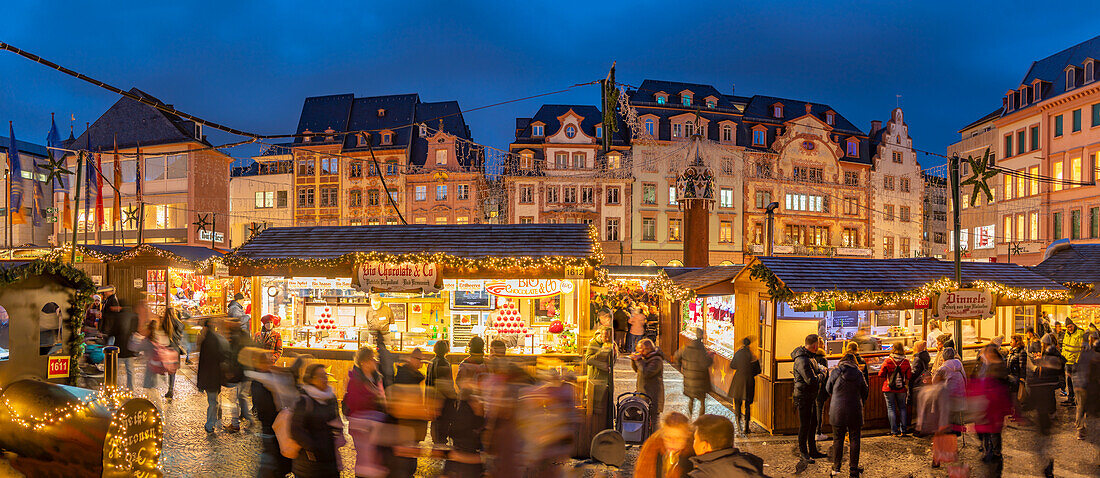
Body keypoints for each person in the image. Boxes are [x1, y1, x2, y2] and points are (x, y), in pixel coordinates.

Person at [248, 349, 295, 478]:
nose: (269, 363)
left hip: (276, 426)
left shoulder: (270, 375)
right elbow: (264, 408)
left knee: (274, 458)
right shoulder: (259, 381)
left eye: (269, 360)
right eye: (266, 361)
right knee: (269, 459)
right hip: (270, 427)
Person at [291, 363, 343, 477]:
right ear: (310, 379)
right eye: (320, 376)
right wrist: (314, 448)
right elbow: (295, 429)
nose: (324, 379)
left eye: (325, 375)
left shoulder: (331, 397)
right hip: (309, 462)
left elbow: (336, 420)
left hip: (330, 457)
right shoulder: (304, 400)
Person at [345, 346, 386, 478]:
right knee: (364, 456)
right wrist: (374, 397)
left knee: (375, 456)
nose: (375, 361)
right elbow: (354, 403)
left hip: (376, 424)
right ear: (363, 362)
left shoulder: (377, 378)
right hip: (361, 426)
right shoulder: (355, 380)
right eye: (372, 359)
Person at [1027, 334, 1064, 477]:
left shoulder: (1048, 357)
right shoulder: (1051, 355)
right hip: (1047, 402)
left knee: (1043, 439)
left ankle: (1047, 463)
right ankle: (1048, 461)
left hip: (1043, 411)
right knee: (1046, 437)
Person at [826, 353, 868, 477]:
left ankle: (836, 467)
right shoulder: (859, 374)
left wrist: (836, 398)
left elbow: (828, 388)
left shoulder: (836, 372)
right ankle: (853, 469)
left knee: (838, 439)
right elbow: (865, 391)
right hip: (854, 410)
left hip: (837, 410)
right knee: (855, 439)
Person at [687, 414, 768, 477]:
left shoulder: (699, 475)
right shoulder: (751, 466)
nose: (693, 443)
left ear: (704, 446)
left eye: (695, 439)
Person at [973, 343, 1012, 465]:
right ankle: (989, 450)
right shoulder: (984, 364)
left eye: (986, 353)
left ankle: (994, 452)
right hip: (985, 401)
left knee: (993, 430)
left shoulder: (998, 367)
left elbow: (1000, 386)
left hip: (993, 403)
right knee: (985, 428)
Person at [792, 334, 827, 465]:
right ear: (815, 345)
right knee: (805, 425)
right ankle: (804, 453)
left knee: (812, 424)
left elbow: (814, 373)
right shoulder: (803, 359)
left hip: (810, 396)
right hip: (803, 396)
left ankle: (813, 450)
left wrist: (819, 371)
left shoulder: (809, 357)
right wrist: (823, 374)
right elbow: (811, 380)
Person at [634, 412, 694, 478]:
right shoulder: (651, 450)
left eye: (678, 438)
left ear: (687, 436)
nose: (672, 442)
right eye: (668, 437)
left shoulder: (693, 456)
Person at [197, 317, 228, 434]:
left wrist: (200, 382)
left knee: (212, 402)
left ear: (206, 327)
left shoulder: (208, 340)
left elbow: (203, 363)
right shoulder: (215, 339)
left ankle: (210, 424)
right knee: (213, 402)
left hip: (210, 378)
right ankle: (212, 422)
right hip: (214, 377)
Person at [673, 328, 713, 417]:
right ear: (702, 336)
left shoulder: (687, 348)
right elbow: (706, 363)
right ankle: (700, 420)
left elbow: (676, 356)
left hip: (689, 379)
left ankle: (690, 417)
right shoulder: (702, 350)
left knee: (691, 400)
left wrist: (681, 368)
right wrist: (710, 357)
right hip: (701, 380)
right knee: (702, 401)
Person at [393, 347, 428, 443]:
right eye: (419, 360)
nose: (421, 362)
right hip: (406, 420)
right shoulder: (407, 374)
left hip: (410, 420)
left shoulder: (410, 373)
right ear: (412, 359)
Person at [879, 342, 912, 436]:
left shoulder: (888, 361)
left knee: (891, 408)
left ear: (893, 348)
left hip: (888, 388)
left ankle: (894, 431)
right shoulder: (905, 361)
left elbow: (881, 374)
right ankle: (903, 430)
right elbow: (909, 375)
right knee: (902, 408)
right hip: (901, 388)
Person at [426, 339, 456, 445]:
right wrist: (454, 396)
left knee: (436, 420)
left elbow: (427, 381)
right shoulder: (444, 363)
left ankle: (436, 439)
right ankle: (440, 441)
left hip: (433, 396)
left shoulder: (432, 362)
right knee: (443, 421)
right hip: (442, 398)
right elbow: (447, 383)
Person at [584, 327, 614, 431]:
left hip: (607, 381)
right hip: (595, 380)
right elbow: (588, 360)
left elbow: (612, 362)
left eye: (609, 337)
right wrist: (602, 352)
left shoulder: (612, 344)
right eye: (605, 336)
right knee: (595, 409)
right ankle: (593, 432)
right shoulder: (593, 344)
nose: (607, 339)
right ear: (601, 335)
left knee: (605, 409)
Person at [730, 336, 760, 436]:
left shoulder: (738, 353)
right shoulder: (752, 355)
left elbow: (732, 365)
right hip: (749, 381)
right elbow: (758, 370)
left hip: (738, 380)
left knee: (737, 404)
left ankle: (739, 426)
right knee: (747, 405)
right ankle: (747, 427)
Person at [1072, 330, 1100, 439]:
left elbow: (1076, 368)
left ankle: (1080, 426)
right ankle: (1080, 429)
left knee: (1081, 406)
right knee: (1082, 406)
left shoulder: (1084, 353)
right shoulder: (1095, 356)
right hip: (1085, 384)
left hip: (1079, 383)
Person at [224, 325, 251, 432]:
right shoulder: (244, 336)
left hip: (239, 375)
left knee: (233, 400)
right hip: (246, 372)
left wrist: (230, 371)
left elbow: (234, 358)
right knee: (242, 397)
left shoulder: (235, 339)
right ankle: (250, 419)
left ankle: (235, 424)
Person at [632, 338, 665, 420]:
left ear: (647, 349)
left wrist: (639, 360)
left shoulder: (656, 360)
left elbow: (646, 373)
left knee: (654, 420)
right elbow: (637, 370)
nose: (639, 351)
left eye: (641, 349)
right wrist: (634, 360)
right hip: (643, 394)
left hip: (653, 396)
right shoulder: (645, 358)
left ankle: (655, 433)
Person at [109, 299, 139, 390]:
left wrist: (108, 337)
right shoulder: (134, 316)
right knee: (130, 370)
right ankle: (131, 388)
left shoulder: (117, 317)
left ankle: (113, 387)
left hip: (119, 346)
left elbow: (113, 331)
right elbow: (135, 330)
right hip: (129, 347)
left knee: (115, 369)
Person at [161, 307, 185, 399]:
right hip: (174, 348)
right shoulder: (176, 322)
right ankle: (171, 389)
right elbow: (182, 327)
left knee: (166, 369)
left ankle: (167, 387)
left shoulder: (163, 323)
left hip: (166, 348)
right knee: (172, 371)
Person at [1062, 318, 1086, 407]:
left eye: (1070, 327)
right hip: (1068, 362)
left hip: (1076, 363)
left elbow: (1082, 348)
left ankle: (1077, 399)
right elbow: (1064, 346)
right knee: (1069, 381)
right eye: (1068, 327)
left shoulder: (1080, 333)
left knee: (1075, 381)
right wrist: (1063, 357)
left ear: (1073, 325)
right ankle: (1070, 398)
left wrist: (1077, 360)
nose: (1069, 329)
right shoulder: (1067, 334)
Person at [813, 336, 830, 442]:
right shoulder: (822, 358)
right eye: (823, 344)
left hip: (811, 388)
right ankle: (818, 432)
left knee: (813, 411)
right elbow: (825, 374)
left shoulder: (811, 357)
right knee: (819, 411)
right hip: (820, 389)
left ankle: (812, 432)